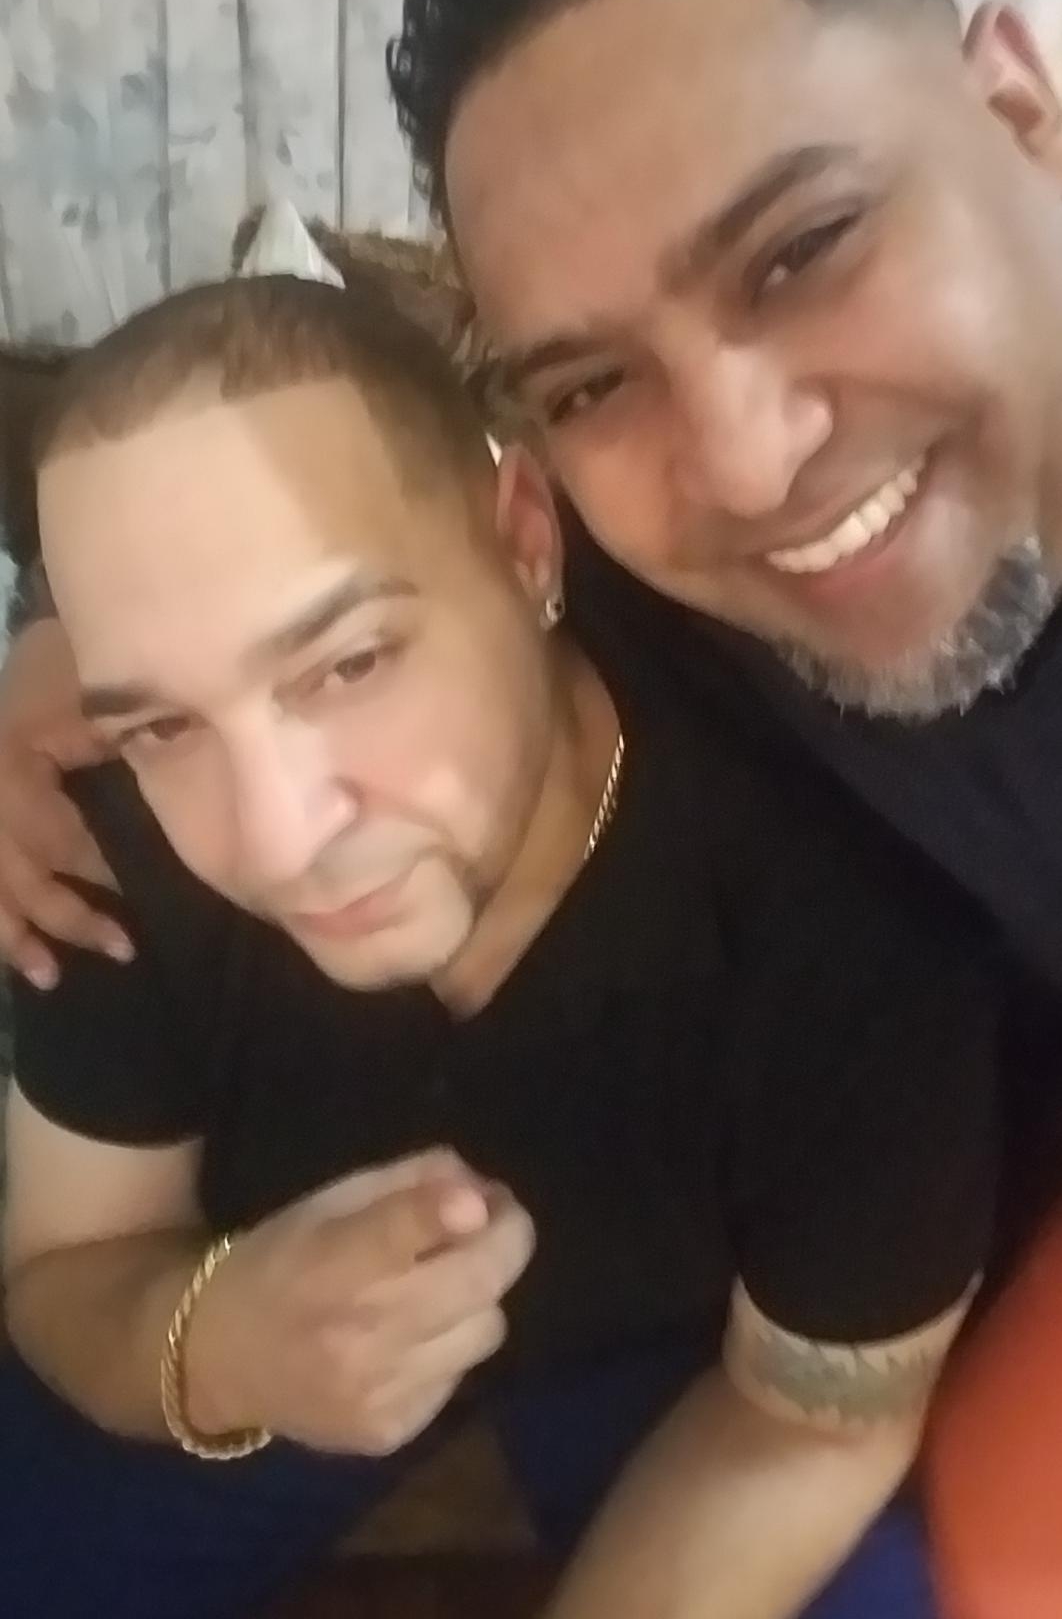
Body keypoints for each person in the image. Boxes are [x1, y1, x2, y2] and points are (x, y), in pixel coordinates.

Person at [0, 264, 1003, 1619]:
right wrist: (217, 1343)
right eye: (166, 724)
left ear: (527, 541)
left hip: (685, 1356)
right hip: (243, 1297)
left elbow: (809, 1419)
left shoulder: (844, 915)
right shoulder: (96, 833)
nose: (278, 839)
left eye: (350, 661)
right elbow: (64, 1267)